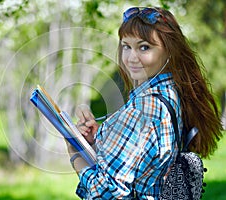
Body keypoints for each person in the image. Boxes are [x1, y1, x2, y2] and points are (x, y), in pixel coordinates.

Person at [66, 7, 223, 199]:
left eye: (144, 47)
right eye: (126, 46)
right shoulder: (171, 92)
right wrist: (101, 136)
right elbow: (146, 153)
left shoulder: (144, 109)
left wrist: (75, 153)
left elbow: (105, 193)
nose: (132, 58)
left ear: (169, 51)